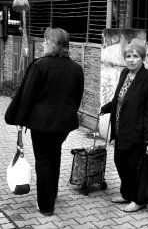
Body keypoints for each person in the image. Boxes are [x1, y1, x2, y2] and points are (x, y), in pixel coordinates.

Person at [5, 27, 84, 216]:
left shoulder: (40, 65)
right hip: (63, 125)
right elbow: (77, 97)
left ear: (53, 45)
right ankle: (53, 193)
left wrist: (19, 119)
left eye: (45, 41)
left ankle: (46, 205)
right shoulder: (76, 68)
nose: (42, 44)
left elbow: (27, 96)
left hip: (41, 125)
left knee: (43, 160)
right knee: (54, 155)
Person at [100, 39, 148, 212]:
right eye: (128, 56)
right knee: (120, 162)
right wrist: (105, 109)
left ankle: (139, 199)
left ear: (142, 58)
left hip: (137, 133)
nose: (131, 60)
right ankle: (127, 193)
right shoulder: (125, 73)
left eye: (135, 56)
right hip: (121, 130)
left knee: (135, 168)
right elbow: (119, 99)